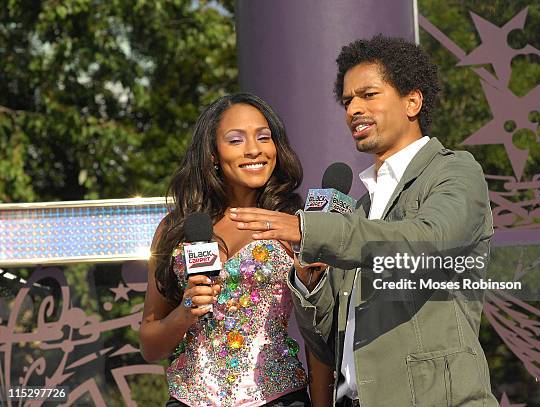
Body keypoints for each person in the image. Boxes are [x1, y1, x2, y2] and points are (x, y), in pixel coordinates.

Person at [229, 35, 499, 406]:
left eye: (368, 95)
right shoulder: (358, 208)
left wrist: (308, 228)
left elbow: (428, 240)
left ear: (412, 101)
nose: (353, 108)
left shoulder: (455, 171)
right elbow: (327, 340)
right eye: (347, 101)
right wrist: (312, 284)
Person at [140, 93, 319, 407]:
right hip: (189, 398)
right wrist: (184, 313)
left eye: (264, 138)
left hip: (278, 398)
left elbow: (318, 334)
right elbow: (150, 346)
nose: (254, 150)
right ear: (212, 154)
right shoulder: (175, 229)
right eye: (236, 140)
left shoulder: (295, 226)